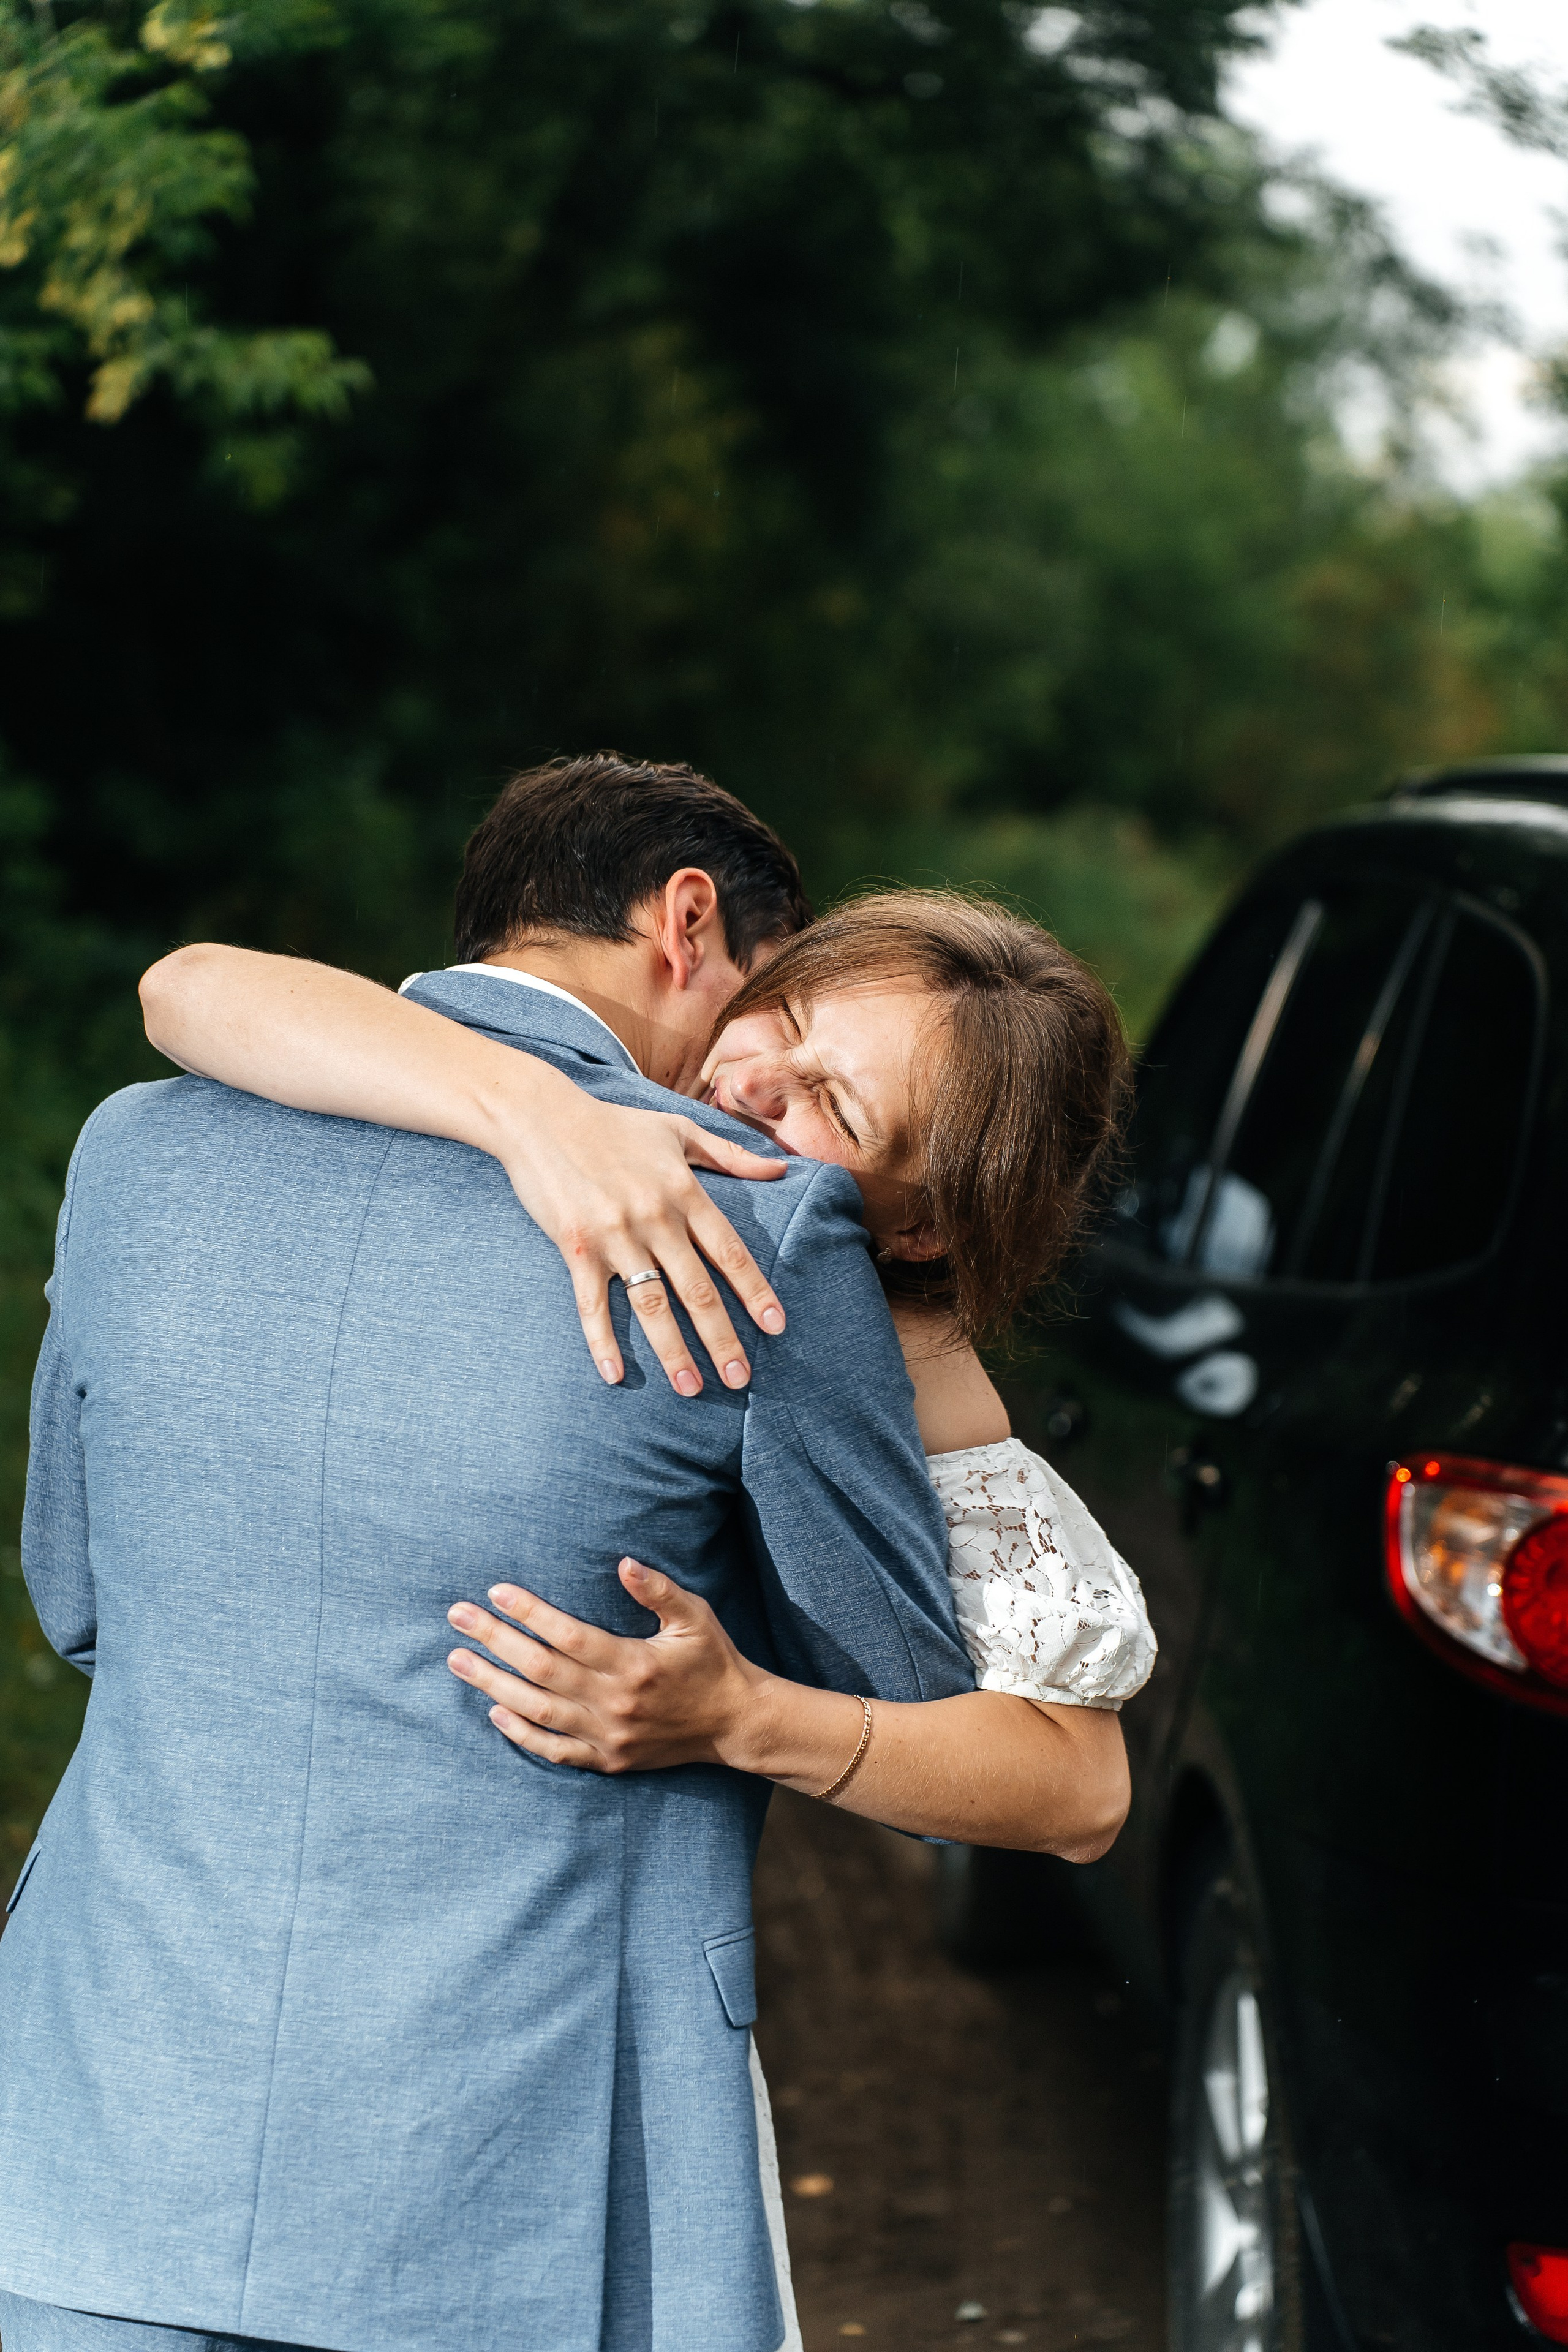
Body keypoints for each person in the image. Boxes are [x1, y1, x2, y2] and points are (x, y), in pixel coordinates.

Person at [0, 753, 1140, 2352]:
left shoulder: (137, 1148)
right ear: (690, 925)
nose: (754, 1093)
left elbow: (79, 1598)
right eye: (781, 1018)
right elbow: (917, 1679)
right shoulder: (763, 1240)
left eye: (837, 1105)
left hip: (94, 2129)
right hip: (513, 2174)